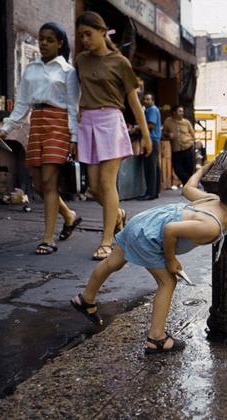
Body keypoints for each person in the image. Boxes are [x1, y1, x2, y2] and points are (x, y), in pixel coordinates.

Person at [70, 164, 227, 354]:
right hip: (150, 236)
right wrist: (170, 260)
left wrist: (203, 169)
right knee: (168, 282)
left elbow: (188, 188)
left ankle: (85, 298)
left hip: (143, 222)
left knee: (112, 263)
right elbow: (170, 230)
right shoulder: (211, 226)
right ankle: (156, 338)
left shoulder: (212, 199)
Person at [0, 22, 81, 255]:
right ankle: (69, 215)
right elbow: (23, 103)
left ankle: (48, 239)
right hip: (37, 123)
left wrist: (74, 137)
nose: (43, 43)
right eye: (41, 39)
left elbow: (73, 107)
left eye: (49, 40)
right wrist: (7, 127)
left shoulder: (68, 71)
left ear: (60, 43)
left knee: (49, 182)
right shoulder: (31, 69)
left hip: (59, 124)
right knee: (38, 184)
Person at [74, 11, 152, 261]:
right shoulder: (81, 61)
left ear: (102, 31)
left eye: (88, 34)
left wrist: (146, 134)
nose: (84, 39)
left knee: (108, 183)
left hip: (111, 121)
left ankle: (107, 241)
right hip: (87, 123)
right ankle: (117, 214)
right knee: (94, 187)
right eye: (81, 36)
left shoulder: (120, 63)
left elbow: (133, 101)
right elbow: (75, 92)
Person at [138, 93, 162, 200]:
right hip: (155, 140)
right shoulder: (152, 109)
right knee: (154, 167)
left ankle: (150, 193)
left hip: (151, 140)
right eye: (145, 99)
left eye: (148, 99)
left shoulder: (152, 110)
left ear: (153, 100)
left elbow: (151, 125)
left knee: (150, 167)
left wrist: (137, 129)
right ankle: (154, 192)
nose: (146, 101)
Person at [163, 105, 195, 185]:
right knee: (177, 169)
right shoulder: (168, 121)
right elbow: (163, 133)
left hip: (187, 147)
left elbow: (192, 134)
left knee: (189, 168)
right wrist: (168, 135)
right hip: (176, 149)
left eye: (182, 111)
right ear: (174, 113)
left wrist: (192, 142)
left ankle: (187, 186)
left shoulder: (186, 122)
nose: (182, 113)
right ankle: (189, 182)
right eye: (180, 111)